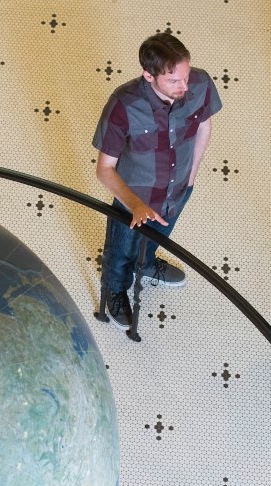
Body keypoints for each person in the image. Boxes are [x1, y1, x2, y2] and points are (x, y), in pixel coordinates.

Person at [93, 33, 222, 329]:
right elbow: (104, 169)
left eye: (185, 76)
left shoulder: (199, 85)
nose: (184, 86)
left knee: (159, 236)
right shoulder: (123, 105)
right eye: (174, 81)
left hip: (177, 191)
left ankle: (147, 263)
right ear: (148, 75)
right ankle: (115, 288)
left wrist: (191, 176)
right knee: (120, 250)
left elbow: (204, 124)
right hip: (134, 200)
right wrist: (136, 205)